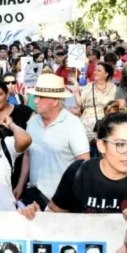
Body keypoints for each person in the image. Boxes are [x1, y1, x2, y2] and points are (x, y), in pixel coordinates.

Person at [21, 113, 127, 222]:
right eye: (120, 144)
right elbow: (54, 214)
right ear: (101, 145)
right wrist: (38, 216)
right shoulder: (79, 172)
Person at [26, 74, 90, 207]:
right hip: (35, 197)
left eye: (41, 97)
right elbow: (27, 155)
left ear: (55, 100)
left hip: (63, 202)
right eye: (36, 96)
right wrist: (21, 185)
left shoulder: (73, 124)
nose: (36, 101)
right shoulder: (32, 122)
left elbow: (84, 163)